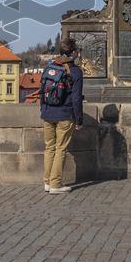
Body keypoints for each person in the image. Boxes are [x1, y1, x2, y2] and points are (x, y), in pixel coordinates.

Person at [39, 37, 84, 194]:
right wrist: (79, 119)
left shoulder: (49, 67)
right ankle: (56, 184)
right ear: (72, 53)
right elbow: (77, 98)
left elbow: (42, 91)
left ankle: (47, 181)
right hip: (64, 114)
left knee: (49, 148)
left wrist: (43, 110)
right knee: (60, 149)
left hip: (47, 113)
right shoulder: (75, 71)